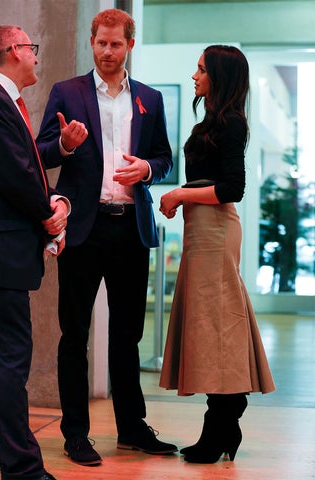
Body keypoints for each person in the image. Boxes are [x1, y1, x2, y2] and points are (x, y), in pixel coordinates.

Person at [35, 8, 176, 465]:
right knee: (74, 334)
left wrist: (148, 170)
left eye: (116, 44)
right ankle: (76, 433)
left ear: (129, 45)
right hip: (83, 228)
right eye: (101, 43)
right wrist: (66, 145)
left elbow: (164, 158)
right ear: (91, 43)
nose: (108, 51)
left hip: (130, 227)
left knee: (128, 335)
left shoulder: (150, 99)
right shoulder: (67, 93)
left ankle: (132, 429)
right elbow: (40, 154)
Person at [158, 44, 275, 464]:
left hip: (215, 230)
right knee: (211, 327)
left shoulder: (229, 122)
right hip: (201, 231)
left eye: (201, 69)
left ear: (218, 78)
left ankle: (223, 421)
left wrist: (179, 192)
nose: (194, 75)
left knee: (217, 328)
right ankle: (222, 422)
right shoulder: (213, 119)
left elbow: (232, 188)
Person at [0, 24, 69, 480]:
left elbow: (29, 167)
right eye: (30, 48)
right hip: (6, 250)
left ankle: (9, 451)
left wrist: (53, 202)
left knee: (11, 356)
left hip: (12, 248)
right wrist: (49, 213)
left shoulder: (10, 102)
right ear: (11, 52)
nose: (36, 57)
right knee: (12, 359)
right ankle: (21, 464)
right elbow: (16, 172)